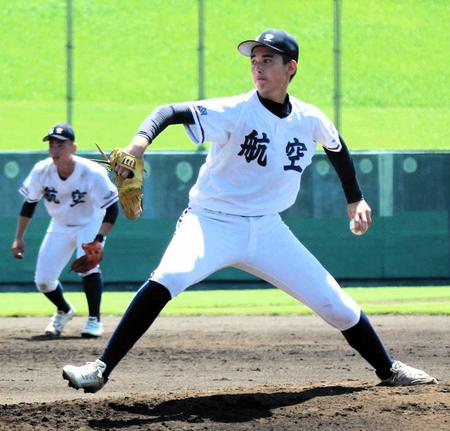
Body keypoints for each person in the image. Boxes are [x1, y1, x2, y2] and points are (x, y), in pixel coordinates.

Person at [62, 29, 437, 392]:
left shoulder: (309, 118)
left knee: (335, 303)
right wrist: (138, 146)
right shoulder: (234, 110)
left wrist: (355, 198)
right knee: (168, 277)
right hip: (211, 222)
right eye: (254, 60)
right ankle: (99, 368)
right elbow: (168, 111)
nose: (258, 67)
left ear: (291, 67)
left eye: (268, 59)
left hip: (268, 230)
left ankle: (389, 370)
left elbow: (336, 147)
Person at [12, 123, 119, 338]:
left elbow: (113, 210)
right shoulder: (42, 170)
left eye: (61, 144)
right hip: (60, 225)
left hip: (90, 223)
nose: (55, 149)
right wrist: (18, 238)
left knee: (88, 266)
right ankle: (64, 310)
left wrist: (98, 239)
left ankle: (94, 320)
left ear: (73, 148)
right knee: (43, 280)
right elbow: (29, 204)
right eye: (52, 144)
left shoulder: (91, 172)